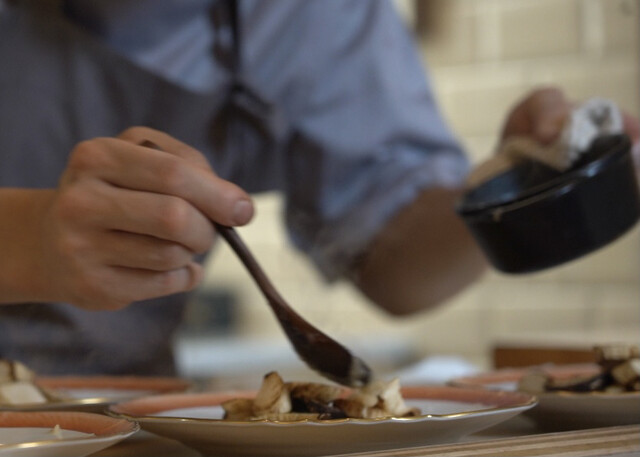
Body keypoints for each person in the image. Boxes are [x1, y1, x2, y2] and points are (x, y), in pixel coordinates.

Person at [0, 0, 637, 376]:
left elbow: (396, 267)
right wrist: (30, 241)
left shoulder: (311, 12)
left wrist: (513, 183)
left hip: (116, 413)